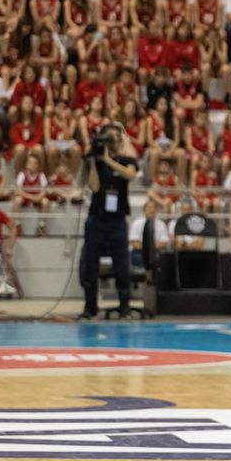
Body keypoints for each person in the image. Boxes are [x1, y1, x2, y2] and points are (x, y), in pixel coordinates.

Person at [79, 122, 139, 319]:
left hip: (117, 220)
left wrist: (109, 159)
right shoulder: (95, 159)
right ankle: (90, 308)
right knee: (90, 265)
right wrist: (95, 161)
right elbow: (94, 187)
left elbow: (130, 174)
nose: (112, 141)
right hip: (97, 217)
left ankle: (124, 307)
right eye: (108, 137)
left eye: (115, 138)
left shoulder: (125, 159)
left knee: (122, 265)